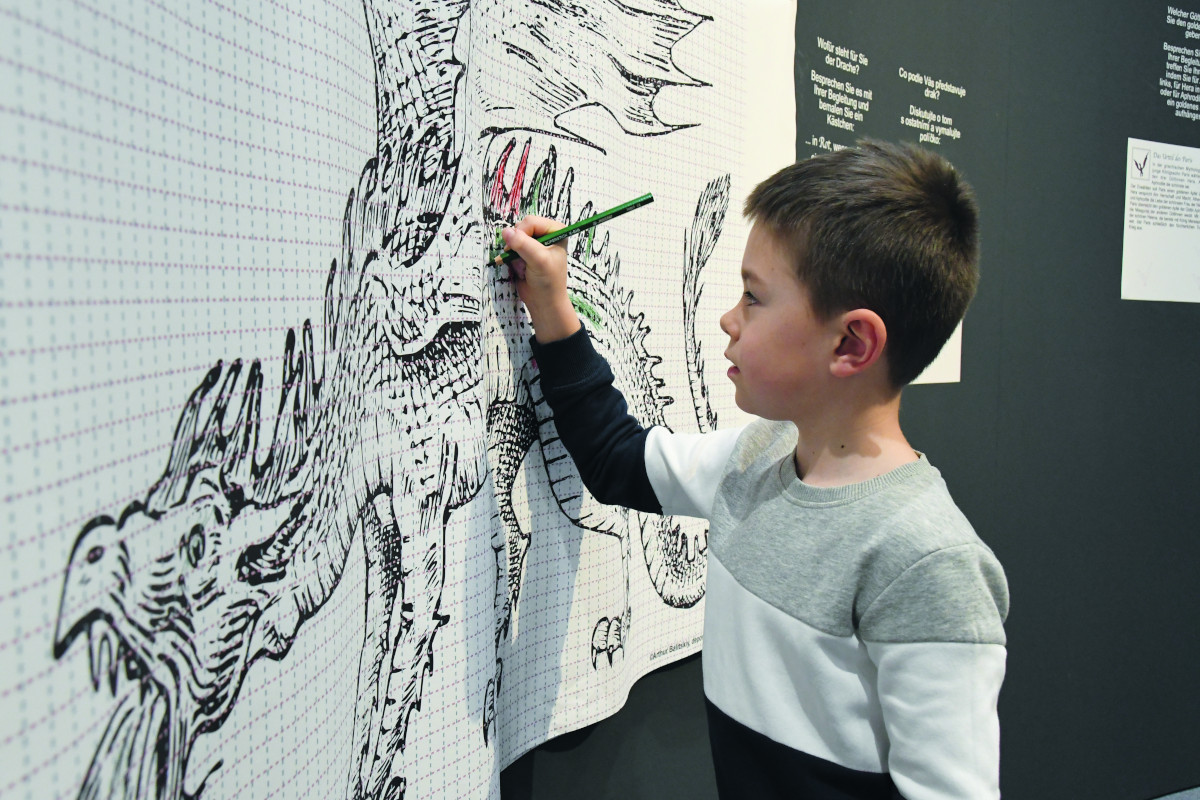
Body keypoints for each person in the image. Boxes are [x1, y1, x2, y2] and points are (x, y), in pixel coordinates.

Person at [500, 139, 1009, 800]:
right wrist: (549, 303)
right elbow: (617, 459)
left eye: (753, 298)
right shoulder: (756, 457)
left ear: (851, 342)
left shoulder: (927, 563)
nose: (729, 320)